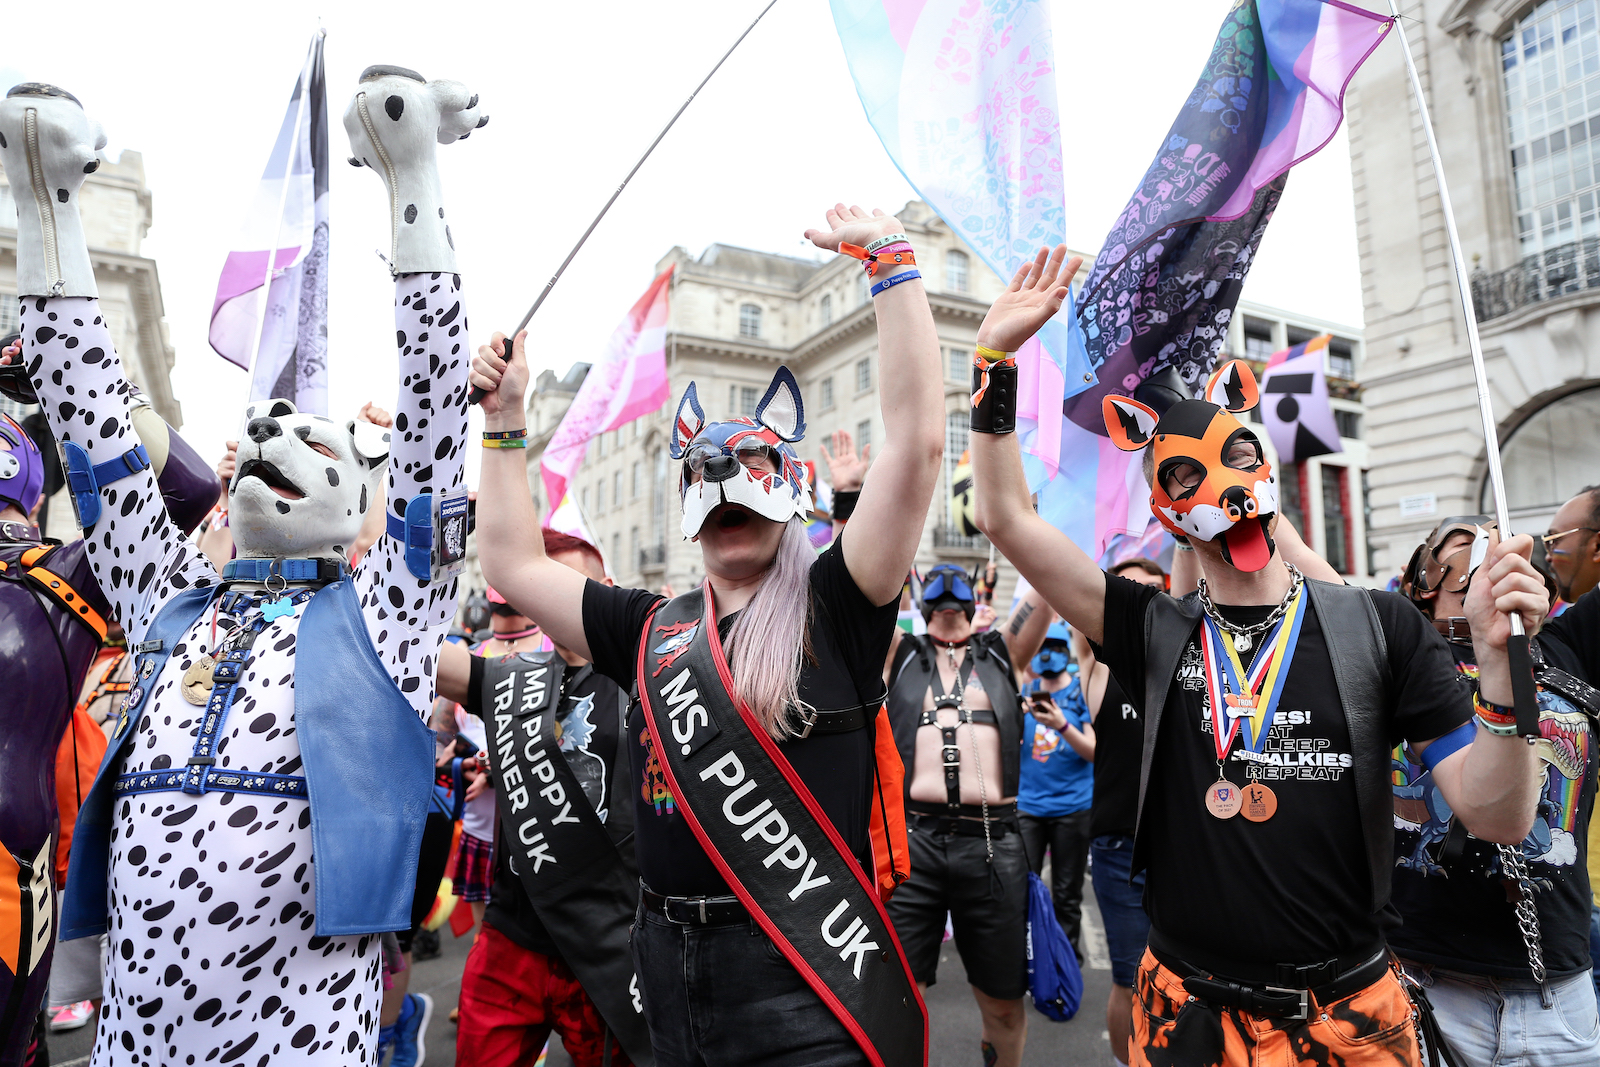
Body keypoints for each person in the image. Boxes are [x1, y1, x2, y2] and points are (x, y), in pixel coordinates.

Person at [965, 244, 1546, 1067]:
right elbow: (1004, 518)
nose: (1226, 487)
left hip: (1348, 1020)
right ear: (1161, 508)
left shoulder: (1378, 625)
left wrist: (1500, 671)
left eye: (1240, 458)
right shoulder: (1150, 625)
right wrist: (994, 364)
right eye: (1188, 475)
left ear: (1267, 465)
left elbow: (1498, 815)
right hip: (1187, 1015)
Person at [2, 71, 479, 1064]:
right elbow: (92, 425)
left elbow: (435, 426)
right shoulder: (169, 598)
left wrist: (415, 178)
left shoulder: (384, 617)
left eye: (315, 440)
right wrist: (44, 200)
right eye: (265, 428)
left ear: (359, 508)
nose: (274, 435)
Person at [470, 202, 947, 1067]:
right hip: (664, 970)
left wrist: (889, 260)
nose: (727, 482)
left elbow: (914, 444)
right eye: (705, 470)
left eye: (753, 463)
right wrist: (505, 421)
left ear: (791, 487)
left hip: (806, 971)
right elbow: (509, 552)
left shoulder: (840, 603)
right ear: (687, 510)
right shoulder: (647, 628)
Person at [0, 387, 217, 1063]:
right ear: (35, 497)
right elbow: (188, 482)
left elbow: (195, 489)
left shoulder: (52, 582)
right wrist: (87, 389)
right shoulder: (53, 581)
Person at [1376, 516, 1600, 1064]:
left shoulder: (1572, 648)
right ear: (1422, 584)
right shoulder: (1391, 650)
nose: (1489, 541)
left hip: (1556, 993)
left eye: (1505, 535)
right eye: (1463, 540)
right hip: (1421, 985)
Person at [434, 529, 645, 1066]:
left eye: (571, 585)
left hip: (611, 941)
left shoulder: (653, 677)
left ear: (609, 590)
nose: (556, 600)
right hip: (513, 934)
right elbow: (409, 648)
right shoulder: (512, 678)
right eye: (541, 586)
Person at [880, 561, 1051, 1067]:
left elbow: (1045, 586)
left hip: (993, 845)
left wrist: (1028, 522)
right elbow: (856, 590)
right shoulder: (900, 654)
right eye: (936, 577)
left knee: (1002, 1001)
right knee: (898, 1000)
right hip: (913, 844)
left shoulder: (1003, 651)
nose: (947, 586)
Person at [1078, 558, 1165, 1067]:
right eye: (1133, 589)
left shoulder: (1186, 662)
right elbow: (1083, 602)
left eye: (1155, 588)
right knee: (1130, 975)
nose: (1145, 598)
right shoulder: (1098, 668)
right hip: (1119, 845)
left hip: (1184, 842)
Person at [1017, 621, 1095, 961]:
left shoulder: (1081, 692)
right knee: (1022, 889)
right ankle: (1027, 957)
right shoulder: (1024, 691)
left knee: (1067, 892)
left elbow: (1095, 751)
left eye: (1056, 648)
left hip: (1073, 808)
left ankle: (1065, 961)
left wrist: (1061, 723)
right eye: (1042, 648)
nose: (1048, 655)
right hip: (1028, 807)